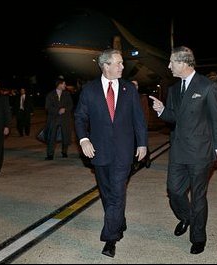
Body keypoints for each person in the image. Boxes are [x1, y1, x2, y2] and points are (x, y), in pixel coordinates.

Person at [149, 46, 217, 254]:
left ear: (183, 63)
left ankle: (198, 237)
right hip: (179, 151)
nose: (168, 66)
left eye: (171, 62)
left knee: (198, 197)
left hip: (201, 152)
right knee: (174, 191)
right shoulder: (174, 89)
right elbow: (175, 119)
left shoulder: (207, 86)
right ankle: (187, 217)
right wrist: (163, 111)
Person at [74, 49, 147, 258]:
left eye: (122, 63)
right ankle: (118, 221)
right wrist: (83, 139)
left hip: (124, 152)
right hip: (99, 152)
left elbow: (138, 119)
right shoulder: (89, 90)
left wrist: (142, 144)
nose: (123, 67)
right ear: (105, 65)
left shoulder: (129, 89)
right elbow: (79, 117)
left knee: (117, 193)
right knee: (107, 194)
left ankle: (109, 238)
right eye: (118, 63)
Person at [45, 77, 73, 160]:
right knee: (52, 137)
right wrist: (57, 110)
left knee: (65, 136)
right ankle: (50, 154)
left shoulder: (67, 94)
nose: (65, 85)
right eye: (64, 84)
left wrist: (65, 109)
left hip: (65, 119)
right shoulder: (50, 95)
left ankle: (64, 152)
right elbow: (47, 107)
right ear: (59, 84)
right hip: (54, 119)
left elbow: (71, 105)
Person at [131, 79, 151, 170]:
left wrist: (144, 127)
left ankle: (146, 158)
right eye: (133, 85)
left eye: (137, 85)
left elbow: (146, 113)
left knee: (142, 143)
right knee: (133, 145)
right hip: (130, 127)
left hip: (140, 126)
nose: (135, 87)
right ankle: (136, 161)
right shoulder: (125, 97)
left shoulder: (142, 98)